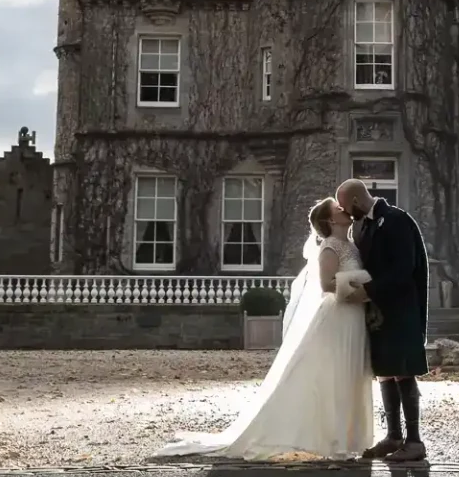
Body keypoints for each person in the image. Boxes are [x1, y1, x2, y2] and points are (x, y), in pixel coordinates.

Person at [157, 197, 374, 460]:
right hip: (337, 317)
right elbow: (327, 284)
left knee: (351, 372)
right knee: (333, 375)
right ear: (330, 220)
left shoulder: (351, 244)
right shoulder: (329, 248)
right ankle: (334, 440)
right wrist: (363, 281)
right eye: (338, 209)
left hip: (354, 315)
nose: (345, 209)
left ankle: (351, 437)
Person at [336, 177, 431, 464]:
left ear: (354, 200)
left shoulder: (396, 220)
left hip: (402, 309)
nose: (343, 211)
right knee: (386, 372)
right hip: (378, 312)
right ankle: (393, 436)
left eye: (343, 205)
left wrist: (368, 291)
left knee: (403, 371)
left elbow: (405, 269)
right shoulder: (360, 225)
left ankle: (414, 441)